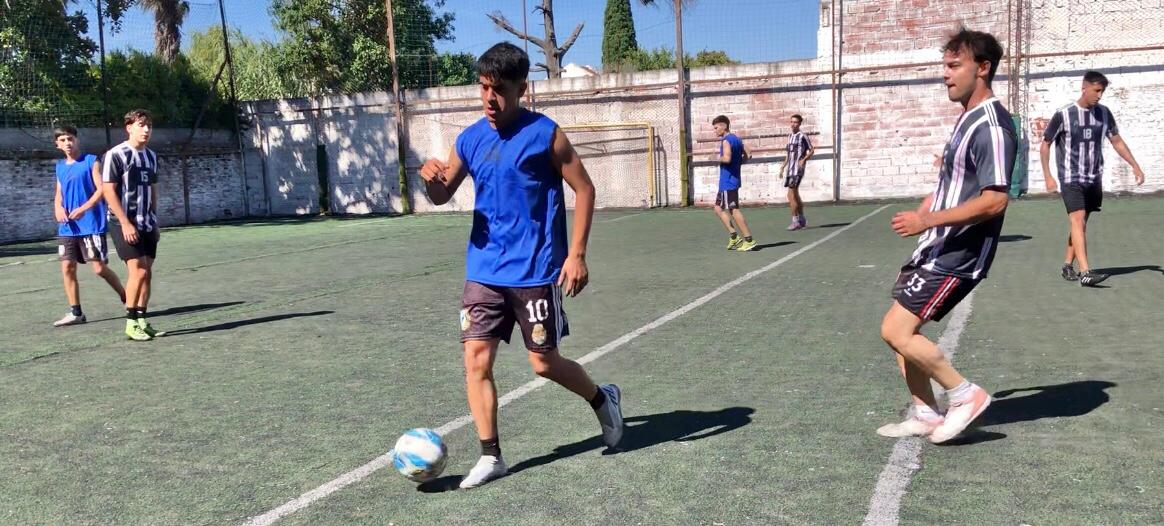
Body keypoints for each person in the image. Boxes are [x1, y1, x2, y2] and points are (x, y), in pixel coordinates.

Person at [417, 42, 624, 489]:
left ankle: (601, 398)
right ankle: (491, 456)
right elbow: (442, 194)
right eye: (483, 88)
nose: (490, 99)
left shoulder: (545, 134)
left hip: (534, 270)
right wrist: (430, 178)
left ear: (521, 89)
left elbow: (585, 189)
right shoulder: (469, 139)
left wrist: (577, 254)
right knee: (475, 360)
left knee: (544, 363)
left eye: (500, 90)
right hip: (483, 271)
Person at [877, 28, 1016, 444]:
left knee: (897, 331)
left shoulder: (992, 126)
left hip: (960, 251)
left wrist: (928, 221)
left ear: (983, 68)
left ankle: (965, 394)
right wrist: (923, 216)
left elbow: (995, 200)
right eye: (945, 65)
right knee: (899, 335)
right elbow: (951, 182)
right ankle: (925, 412)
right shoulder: (966, 118)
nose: (945, 74)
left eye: (955, 65)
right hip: (936, 245)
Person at [1040, 71, 1146, 287]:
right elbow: (1045, 144)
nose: (1099, 95)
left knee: (1080, 224)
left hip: (1094, 178)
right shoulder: (1064, 114)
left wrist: (1135, 165)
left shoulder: (1104, 114)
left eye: (1102, 91)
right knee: (1077, 220)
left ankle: (1067, 264)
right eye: (1096, 90)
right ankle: (1086, 272)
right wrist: (1048, 176)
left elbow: (1116, 141)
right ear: (1084, 87)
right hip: (1071, 178)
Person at [50, 125, 126, 326]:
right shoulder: (60, 166)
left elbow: (101, 190)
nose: (68, 143)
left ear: (77, 140)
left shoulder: (91, 161)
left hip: (91, 224)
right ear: (57, 144)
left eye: (70, 138)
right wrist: (58, 208)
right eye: (63, 140)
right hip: (68, 227)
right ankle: (76, 313)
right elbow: (59, 193)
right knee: (67, 267)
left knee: (99, 269)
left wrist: (84, 208)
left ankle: (126, 296)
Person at [102, 109, 165, 341]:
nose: (146, 130)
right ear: (129, 128)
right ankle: (130, 323)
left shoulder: (151, 156)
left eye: (149, 125)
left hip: (146, 222)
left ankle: (142, 320)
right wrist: (125, 223)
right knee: (138, 270)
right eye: (141, 125)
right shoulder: (116, 154)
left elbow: (152, 190)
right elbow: (108, 190)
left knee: (146, 273)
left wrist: (154, 220)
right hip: (123, 222)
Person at [710, 115, 756, 251]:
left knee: (733, 210)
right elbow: (749, 154)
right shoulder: (737, 139)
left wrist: (715, 158)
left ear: (724, 126)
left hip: (728, 181)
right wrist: (739, 163)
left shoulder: (726, 140)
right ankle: (734, 237)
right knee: (717, 208)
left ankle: (749, 240)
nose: (715, 130)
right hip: (730, 180)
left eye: (716, 128)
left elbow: (727, 158)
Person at [779, 114, 814, 230]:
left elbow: (811, 150)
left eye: (795, 122)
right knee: (794, 194)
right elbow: (788, 154)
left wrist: (803, 160)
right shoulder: (790, 136)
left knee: (790, 195)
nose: (793, 124)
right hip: (790, 170)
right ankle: (802, 219)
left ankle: (795, 221)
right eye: (791, 122)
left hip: (797, 170)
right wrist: (783, 166)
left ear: (799, 124)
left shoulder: (802, 136)